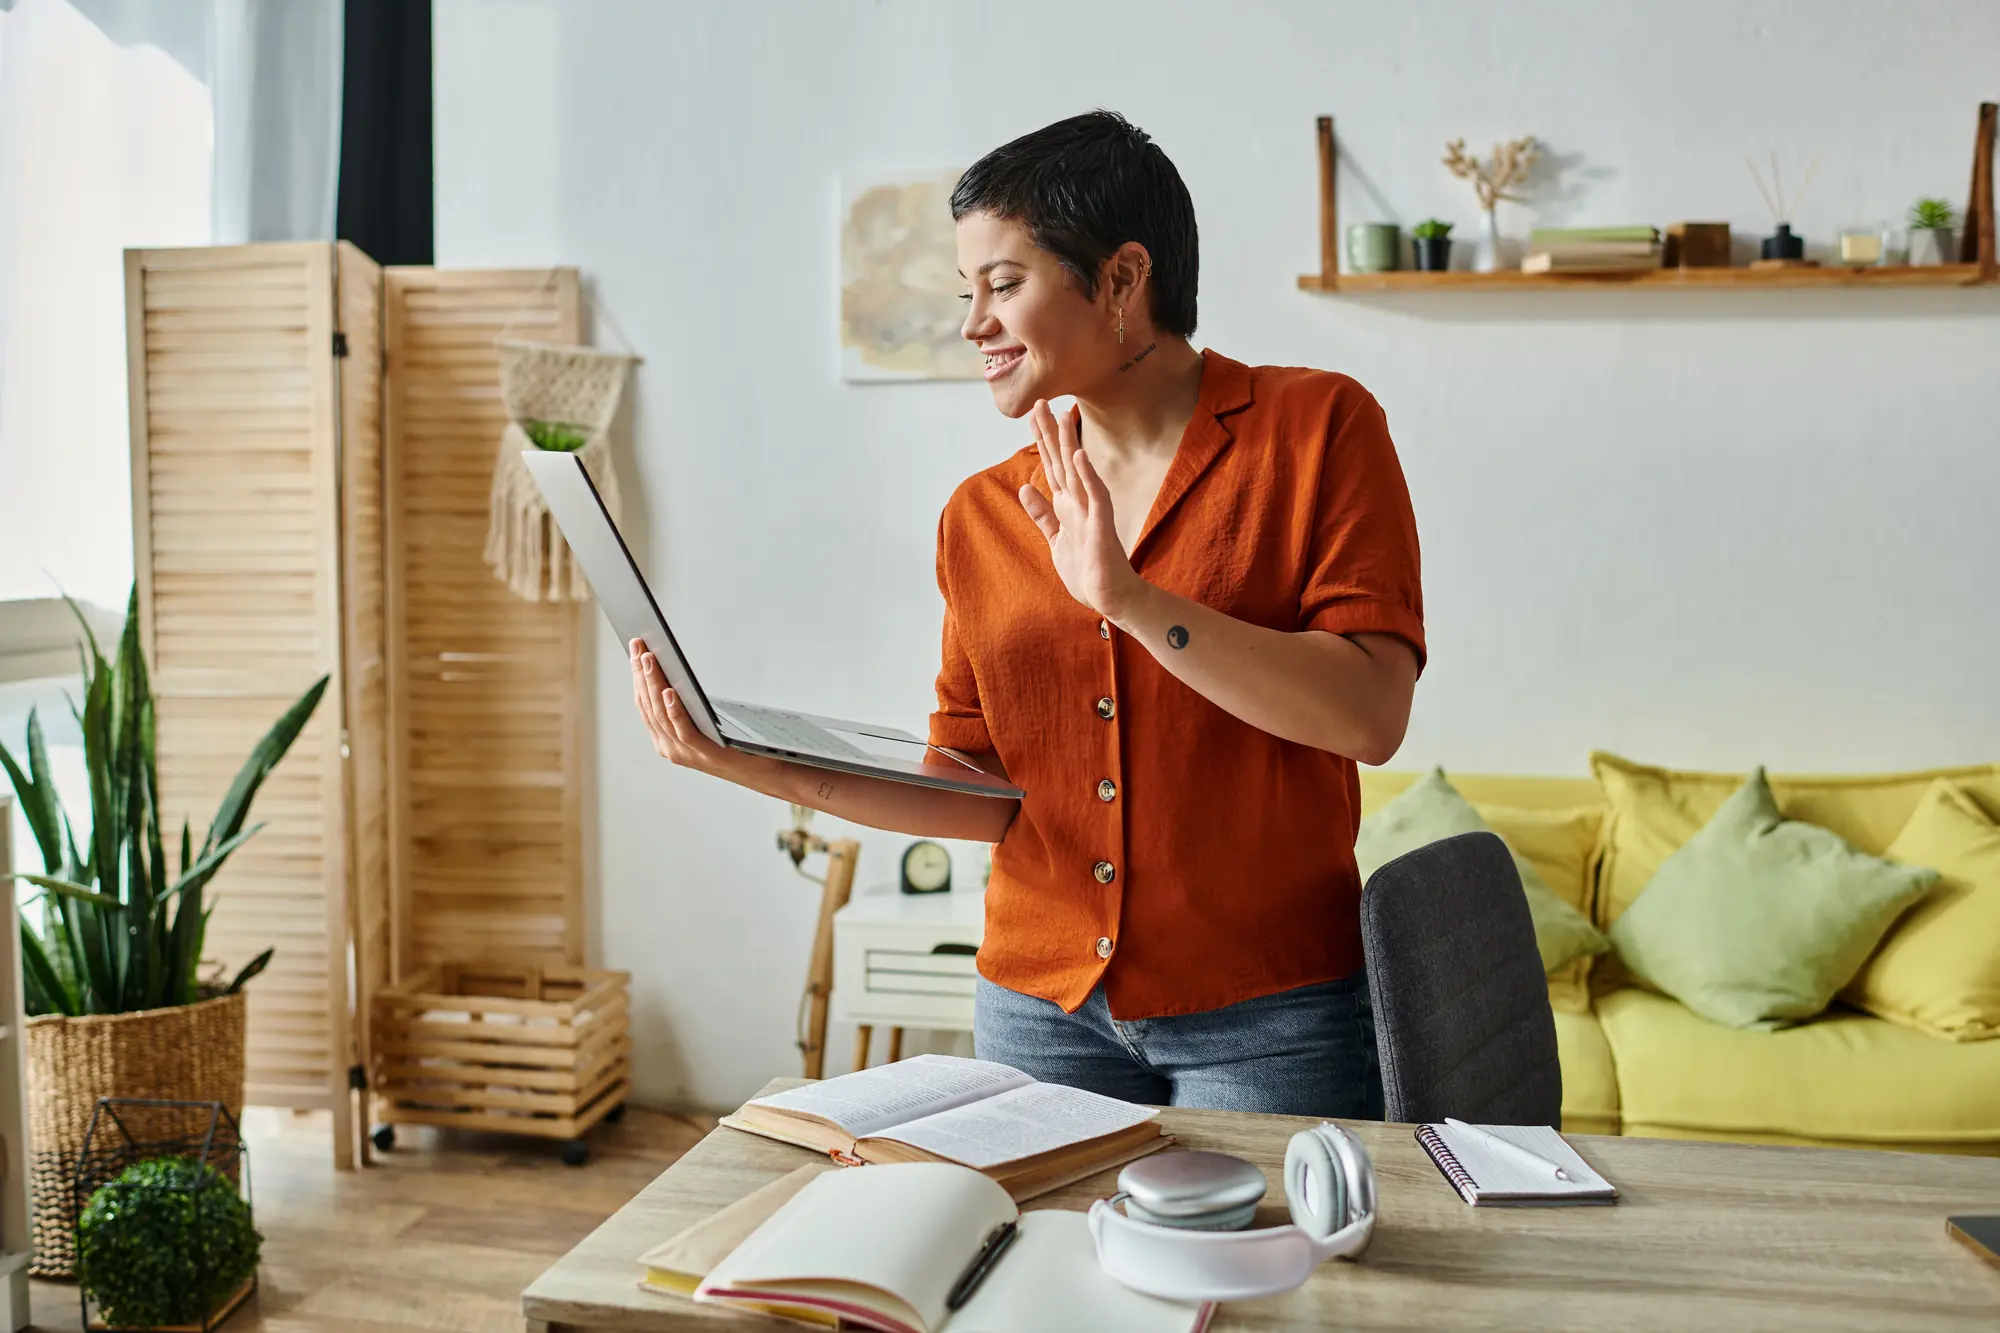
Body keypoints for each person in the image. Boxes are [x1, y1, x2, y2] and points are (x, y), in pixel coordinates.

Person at [630, 110, 1423, 1118]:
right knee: (1026, 1273)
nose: (972, 324)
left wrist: (1131, 602)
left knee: (1265, 1278)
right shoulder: (981, 514)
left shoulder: (1316, 431)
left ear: (1123, 279)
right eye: (968, 292)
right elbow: (974, 792)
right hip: (1037, 1010)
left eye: (1002, 285)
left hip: (1268, 1016)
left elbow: (1368, 714)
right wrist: (743, 759)